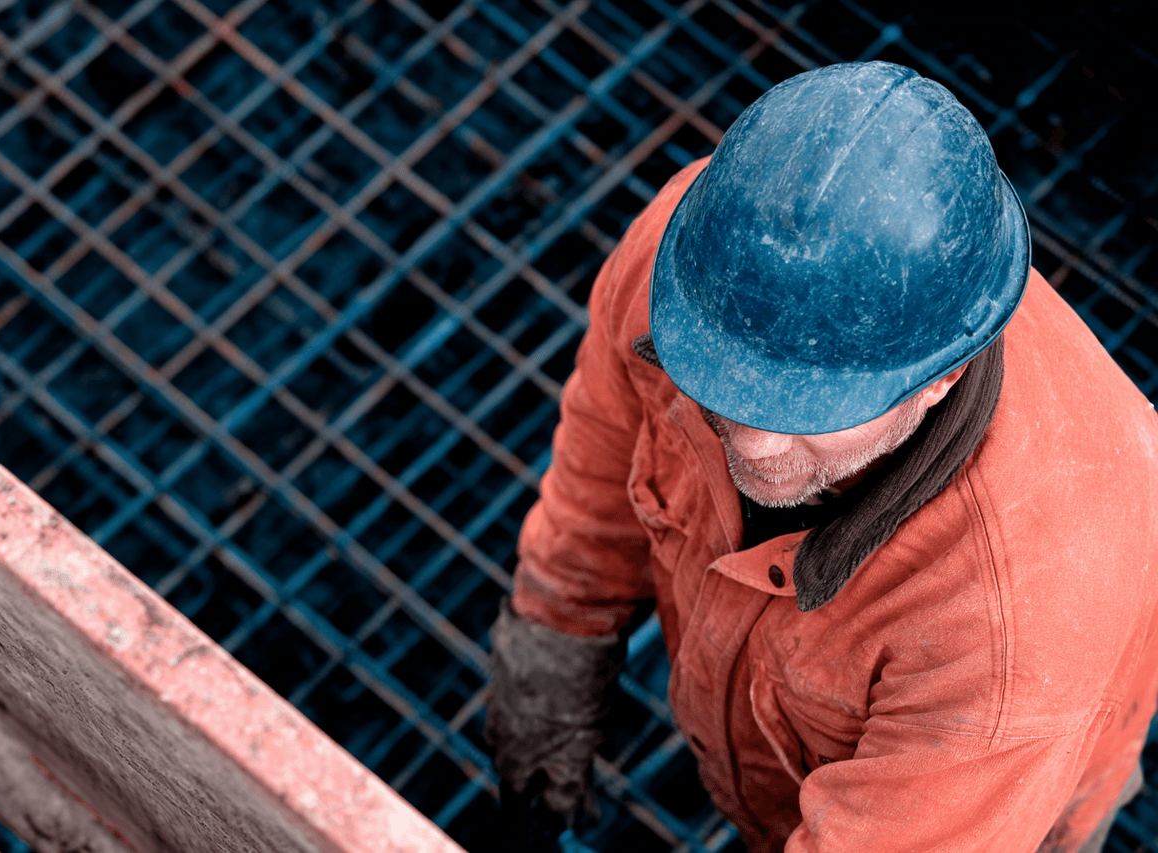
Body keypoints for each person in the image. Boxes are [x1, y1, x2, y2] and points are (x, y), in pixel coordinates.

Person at [484, 61, 1158, 853]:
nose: (753, 441)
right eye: (724, 386)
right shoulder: (703, 269)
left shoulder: (1015, 634)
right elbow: (602, 443)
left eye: (810, 411)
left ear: (940, 378)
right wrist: (556, 636)